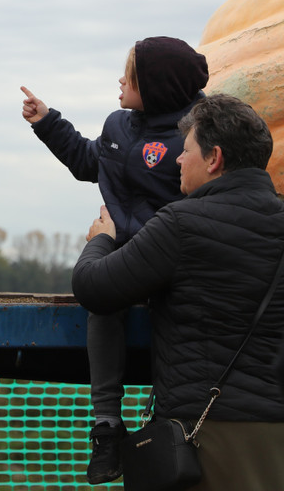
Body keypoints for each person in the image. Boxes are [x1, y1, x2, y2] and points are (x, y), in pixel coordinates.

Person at [73, 94, 284, 490]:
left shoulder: (181, 224)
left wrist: (101, 240)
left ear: (214, 159)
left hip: (209, 436)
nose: (177, 160)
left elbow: (95, 288)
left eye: (186, 151)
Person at [22, 36, 208, 484]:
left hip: (169, 256)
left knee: (171, 313)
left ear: (158, 86)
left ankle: (165, 423)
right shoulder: (119, 126)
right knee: (102, 298)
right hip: (124, 252)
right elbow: (92, 162)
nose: (121, 80)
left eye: (132, 74)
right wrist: (49, 123)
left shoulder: (196, 137)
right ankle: (107, 425)